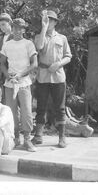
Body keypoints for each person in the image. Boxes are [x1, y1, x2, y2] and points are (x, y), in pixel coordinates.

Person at [32, 10, 72, 148]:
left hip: (58, 76)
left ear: (55, 22)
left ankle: (62, 137)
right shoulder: (39, 36)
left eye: (51, 20)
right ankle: (38, 136)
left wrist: (58, 64)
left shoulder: (62, 38)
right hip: (43, 75)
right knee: (41, 107)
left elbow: (68, 56)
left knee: (60, 107)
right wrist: (43, 27)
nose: (49, 22)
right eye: (46, 20)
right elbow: (39, 47)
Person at [0, 18, 38, 152]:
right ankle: (15, 138)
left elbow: (34, 64)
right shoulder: (7, 44)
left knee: (27, 111)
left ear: (24, 30)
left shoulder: (29, 44)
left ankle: (27, 139)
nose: (17, 30)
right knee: (11, 111)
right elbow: (2, 63)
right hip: (10, 83)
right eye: (15, 28)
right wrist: (7, 75)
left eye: (20, 28)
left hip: (24, 82)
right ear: (12, 28)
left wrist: (21, 74)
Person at [0, 13, 14, 103]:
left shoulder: (15, 36)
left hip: (12, 70)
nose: (1, 27)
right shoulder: (0, 38)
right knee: (1, 96)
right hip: (0, 71)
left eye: (3, 24)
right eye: (0, 25)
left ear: (9, 22)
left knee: (12, 98)